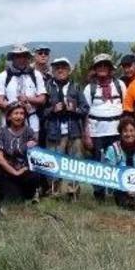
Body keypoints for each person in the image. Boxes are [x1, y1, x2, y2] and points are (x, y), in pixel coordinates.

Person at [41, 57, 88, 200]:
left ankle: (73, 192)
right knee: (53, 163)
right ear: (53, 71)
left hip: (74, 131)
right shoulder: (46, 87)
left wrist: (74, 109)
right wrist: (52, 110)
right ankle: (54, 192)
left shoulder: (76, 87)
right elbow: (41, 112)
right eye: (57, 68)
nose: (60, 70)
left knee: (75, 163)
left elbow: (85, 108)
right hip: (54, 132)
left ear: (69, 70)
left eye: (63, 67)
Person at [83, 54, 127, 200]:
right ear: (95, 69)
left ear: (110, 68)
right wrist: (87, 135)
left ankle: (117, 191)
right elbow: (85, 113)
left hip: (116, 130)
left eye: (105, 65)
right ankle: (99, 192)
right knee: (98, 162)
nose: (102, 68)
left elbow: (126, 108)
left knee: (117, 159)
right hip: (97, 131)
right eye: (99, 66)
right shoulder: (90, 88)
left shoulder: (120, 85)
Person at [0, 102, 45, 202]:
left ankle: (33, 192)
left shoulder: (29, 131)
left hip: (24, 170)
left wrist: (33, 147)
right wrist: (15, 172)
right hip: (7, 171)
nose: (19, 116)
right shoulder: (1, 132)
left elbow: (36, 155)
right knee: (13, 201)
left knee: (35, 173)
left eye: (22, 113)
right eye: (16, 113)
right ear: (9, 117)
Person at [0, 44, 47, 134]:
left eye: (24, 56)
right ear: (13, 57)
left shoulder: (36, 75)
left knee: (32, 147)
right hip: (9, 124)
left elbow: (42, 99)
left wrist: (27, 99)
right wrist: (14, 108)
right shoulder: (3, 76)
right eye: (18, 56)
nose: (22, 59)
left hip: (32, 123)